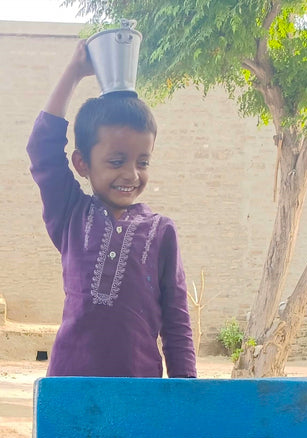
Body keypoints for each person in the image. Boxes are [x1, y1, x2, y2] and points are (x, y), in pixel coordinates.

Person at [28, 39, 197, 379]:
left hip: (140, 393)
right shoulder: (71, 215)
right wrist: (74, 73)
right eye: (117, 161)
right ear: (82, 163)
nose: (131, 174)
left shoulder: (162, 231)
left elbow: (177, 323)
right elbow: (42, 148)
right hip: (70, 387)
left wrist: (186, 398)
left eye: (143, 161)